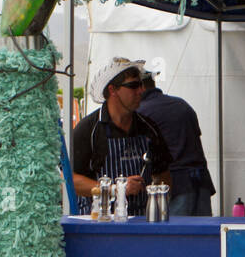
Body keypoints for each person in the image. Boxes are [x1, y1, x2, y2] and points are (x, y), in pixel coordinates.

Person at [72, 57, 172, 216]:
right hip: (99, 222)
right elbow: (70, 179)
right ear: (112, 90)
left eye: (141, 85)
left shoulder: (148, 128)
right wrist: (116, 189)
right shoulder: (88, 129)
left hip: (142, 221)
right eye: (133, 86)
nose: (141, 91)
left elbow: (163, 174)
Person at [137, 71, 216, 216]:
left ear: (140, 87)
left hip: (176, 184)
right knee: (203, 236)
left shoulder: (142, 112)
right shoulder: (182, 104)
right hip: (201, 182)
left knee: (175, 235)